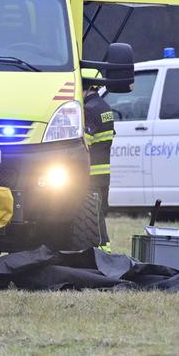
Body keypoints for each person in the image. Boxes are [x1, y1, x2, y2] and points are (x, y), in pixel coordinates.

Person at [82, 76, 115, 245]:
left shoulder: (88, 110)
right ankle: (103, 251)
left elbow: (83, 145)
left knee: (93, 220)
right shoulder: (104, 107)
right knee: (99, 215)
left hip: (90, 176)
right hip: (103, 175)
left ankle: (102, 253)